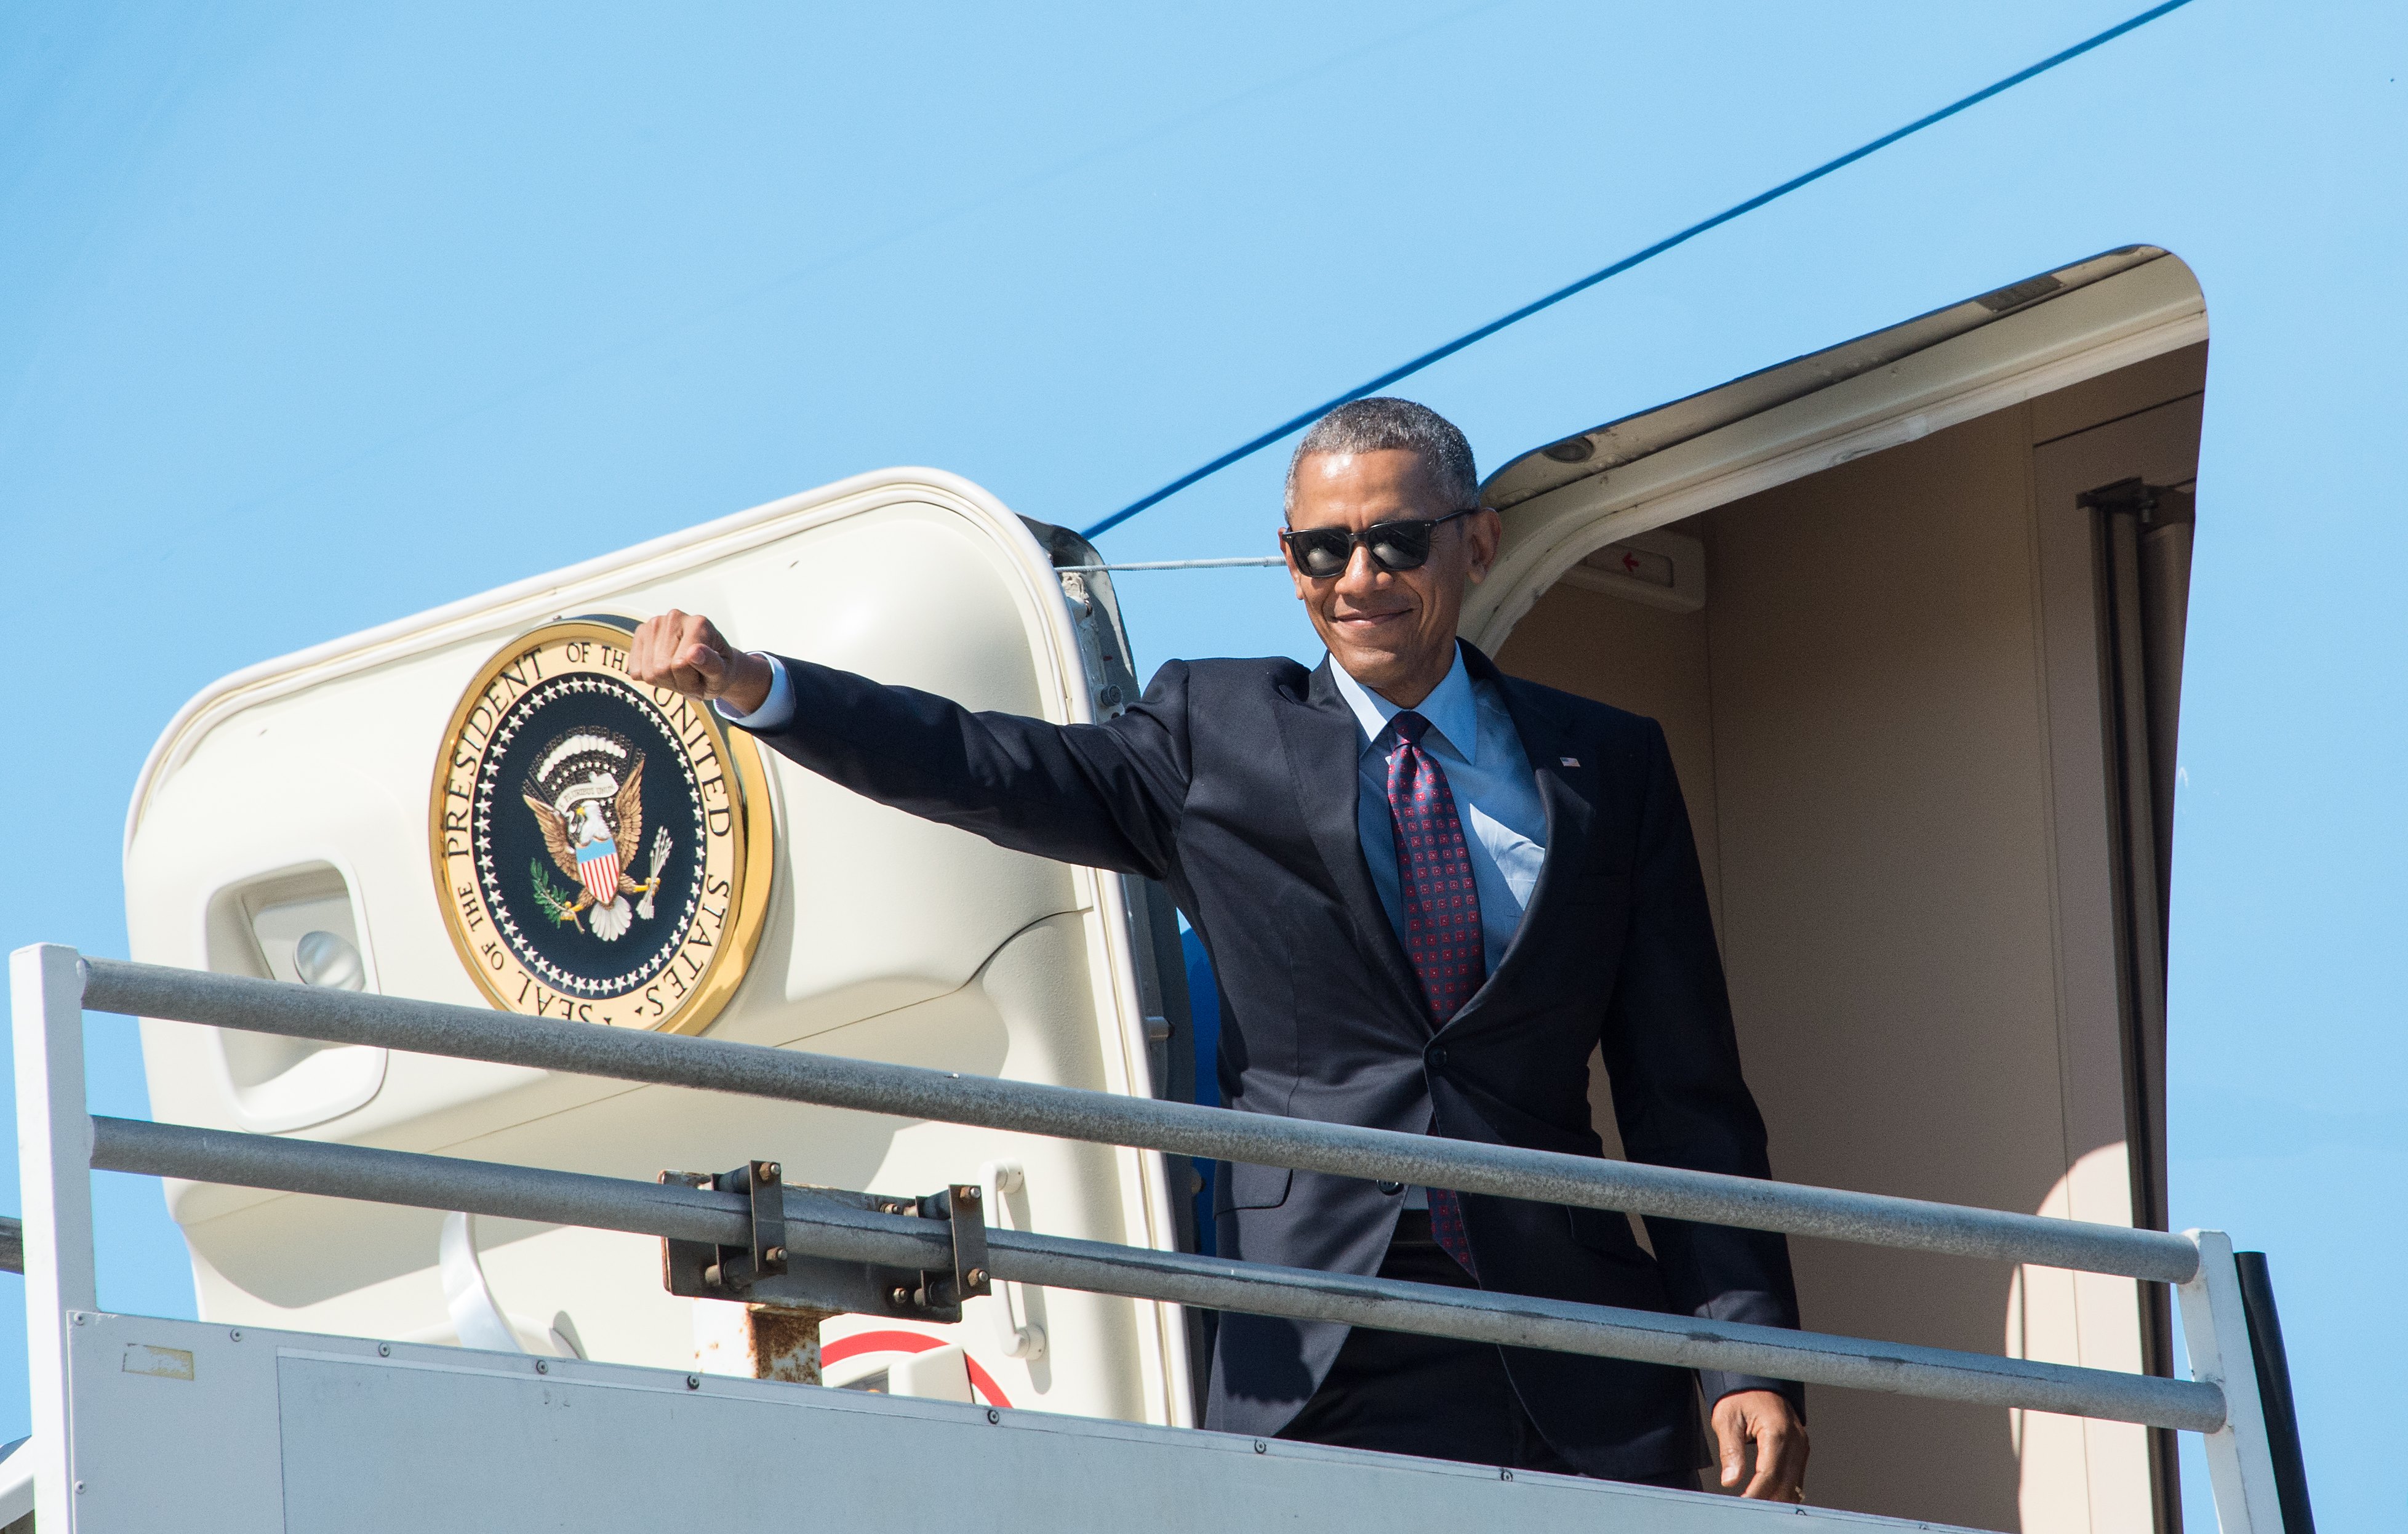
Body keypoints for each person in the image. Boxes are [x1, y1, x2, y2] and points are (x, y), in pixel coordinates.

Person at [629, 397, 1809, 1499]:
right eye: (1320, 550)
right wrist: (757, 684)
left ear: (1479, 546)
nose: (1358, 579)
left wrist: (1743, 1352)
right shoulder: (1215, 730)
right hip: (1319, 1341)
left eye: (1396, 543)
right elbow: (983, 764)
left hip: (1576, 1340)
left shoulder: (1606, 764)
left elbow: (1685, 1096)